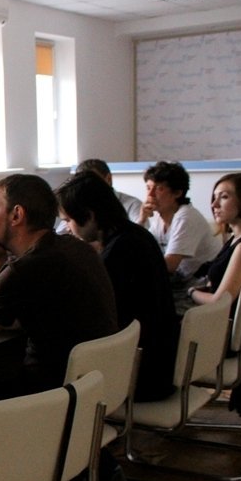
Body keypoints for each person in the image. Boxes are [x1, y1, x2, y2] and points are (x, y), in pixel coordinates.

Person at [0, 174, 118, 399]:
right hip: (97, 386)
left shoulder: (22, 270)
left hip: (50, 398)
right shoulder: (79, 247)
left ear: (17, 215)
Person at [56, 171, 179, 402]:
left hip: (140, 376)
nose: (67, 228)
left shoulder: (120, 251)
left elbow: (94, 316)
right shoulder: (135, 236)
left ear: (89, 215)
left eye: (68, 220)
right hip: (159, 365)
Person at [189, 173, 241, 306]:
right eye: (214, 197)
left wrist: (191, 292)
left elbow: (220, 301)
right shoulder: (235, 238)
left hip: (220, 317)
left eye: (224, 197)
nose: (214, 204)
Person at [137, 161, 220, 289]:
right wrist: (141, 219)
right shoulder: (160, 216)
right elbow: (139, 247)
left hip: (200, 287)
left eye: (159, 189)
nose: (150, 195)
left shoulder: (186, 216)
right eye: (148, 188)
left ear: (177, 193)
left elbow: (169, 266)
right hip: (179, 283)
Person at [76, 158, 144, 222]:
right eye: (81, 183)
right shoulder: (77, 206)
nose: (87, 187)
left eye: (92, 182)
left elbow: (141, 230)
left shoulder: (133, 205)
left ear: (108, 179)